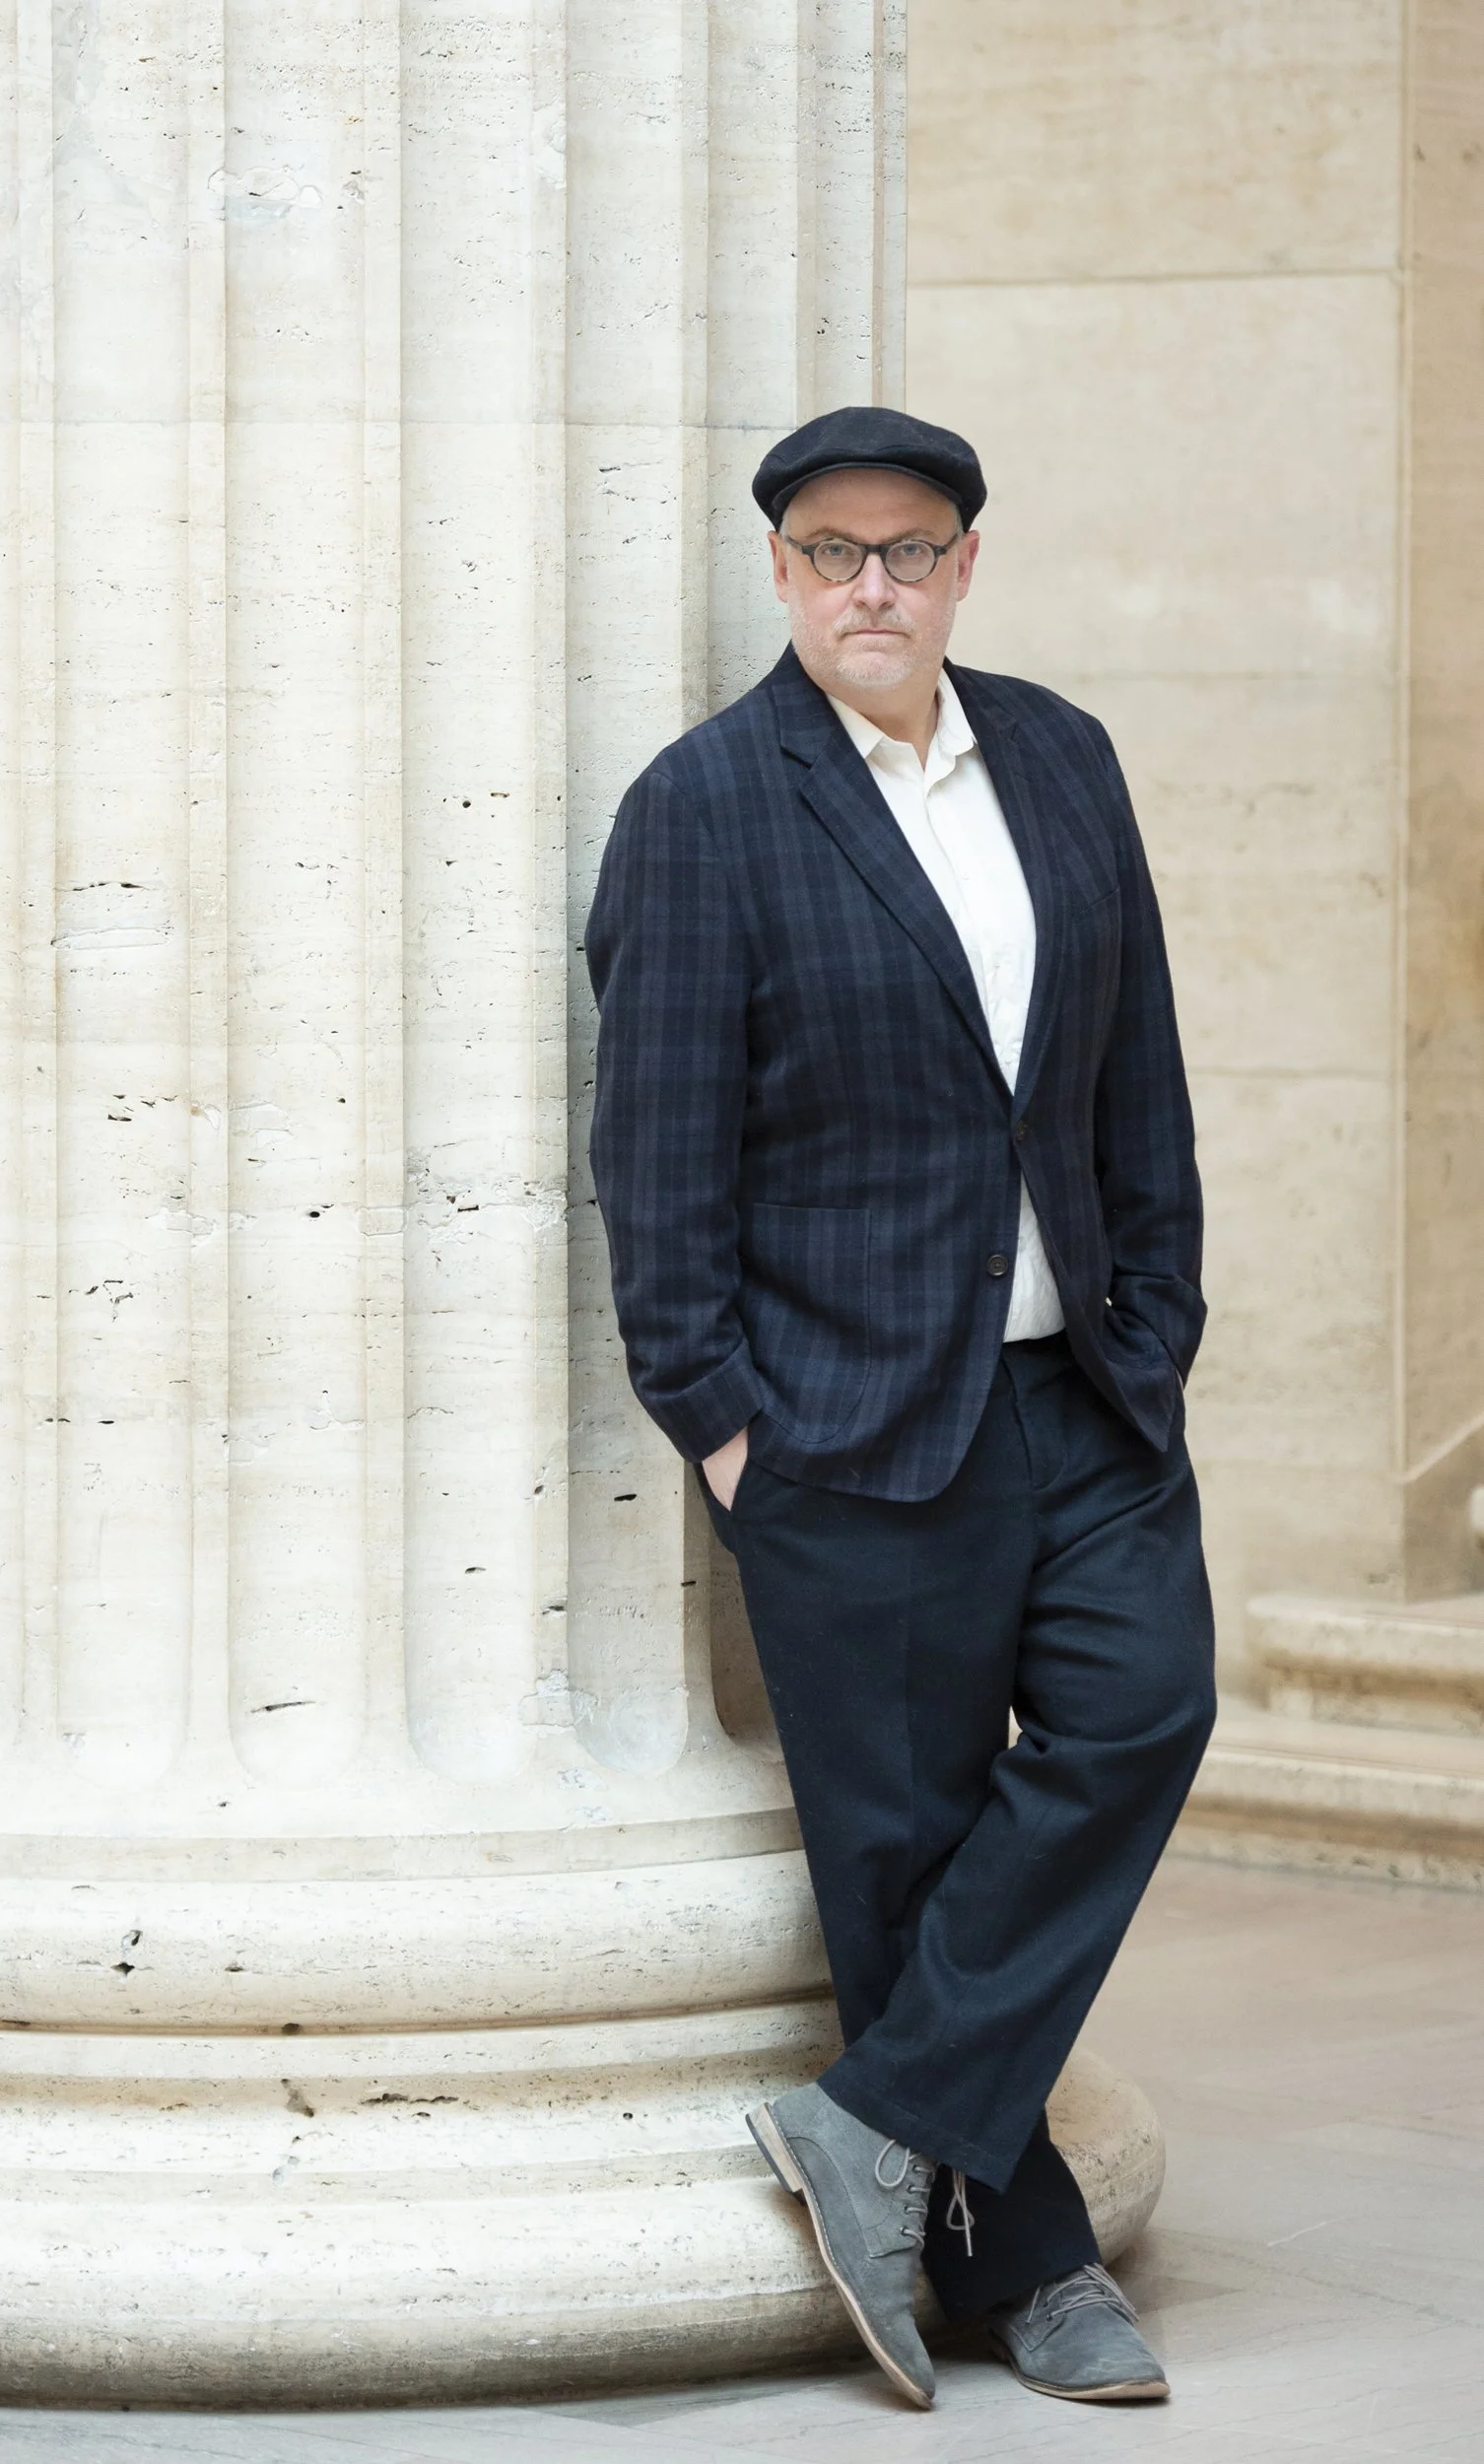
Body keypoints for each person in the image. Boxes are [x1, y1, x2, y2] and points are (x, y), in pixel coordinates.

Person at [585, 405, 1217, 2410]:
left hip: (1082, 1395)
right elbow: (656, 1149)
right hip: (840, 1425)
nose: (874, 584)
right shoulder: (704, 804)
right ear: (779, 571)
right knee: (901, 1845)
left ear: (961, 564)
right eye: (834, 551)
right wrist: (716, 1414)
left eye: (912, 549)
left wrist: (1157, 1315)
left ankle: (867, 2118)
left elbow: (1138, 1079)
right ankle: (1027, 2270)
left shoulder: (1059, 755)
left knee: (1142, 1706)